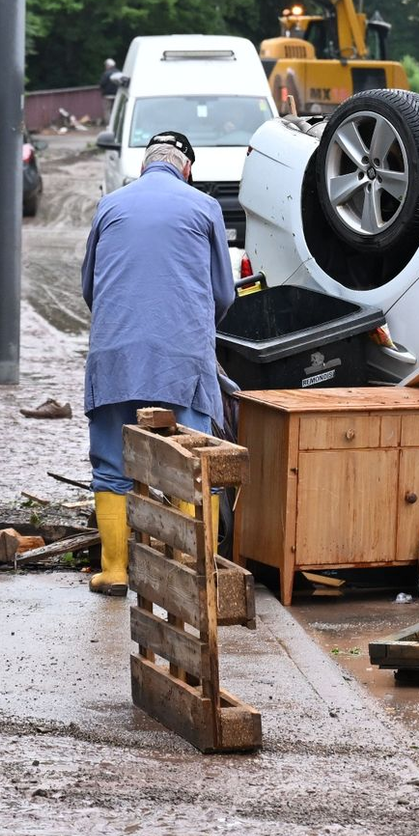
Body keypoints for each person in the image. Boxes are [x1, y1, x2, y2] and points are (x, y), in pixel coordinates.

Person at [81, 131, 235, 595]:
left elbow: (91, 288)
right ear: (186, 168)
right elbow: (223, 294)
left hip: (114, 357)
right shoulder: (204, 207)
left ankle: (114, 571)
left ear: (145, 165)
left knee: (110, 463)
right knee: (193, 464)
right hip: (181, 360)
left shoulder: (109, 205)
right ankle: (191, 569)